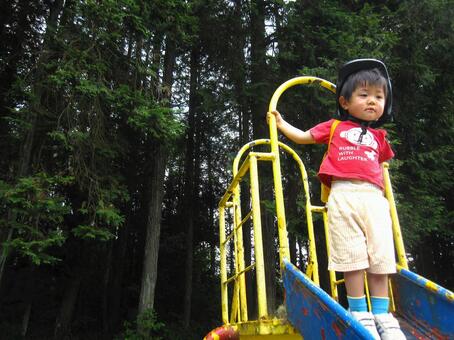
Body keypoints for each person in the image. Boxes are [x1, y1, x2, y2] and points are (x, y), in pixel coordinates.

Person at [267, 59, 406, 340]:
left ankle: (382, 315)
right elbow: (305, 137)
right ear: (345, 101)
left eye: (379, 97)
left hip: (374, 197)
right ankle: (359, 312)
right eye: (364, 95)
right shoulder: (334, 127)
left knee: (380, 257)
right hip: (343, 194)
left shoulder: (380, 137)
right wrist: (281, 125)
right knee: (352, 256)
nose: (372, 102)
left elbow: (381, 167)